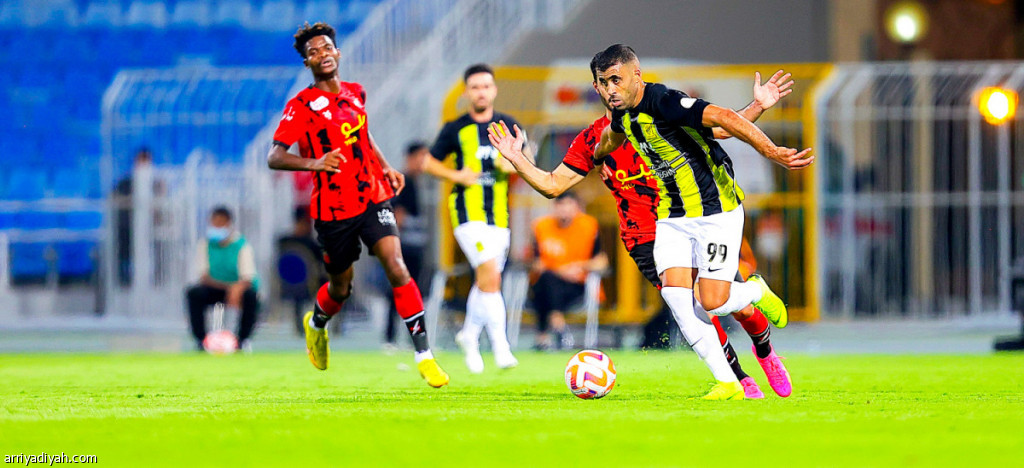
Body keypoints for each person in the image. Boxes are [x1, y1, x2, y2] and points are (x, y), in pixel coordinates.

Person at [487, 46, 799, 399]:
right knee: (688, 305)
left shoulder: (661, 107)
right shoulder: (599, 136)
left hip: (708, 213)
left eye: (616, 80)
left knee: (722, 302)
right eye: (604, 83)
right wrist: (517, 159)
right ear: (596, 86)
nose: (611, 89)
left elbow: (721, 125)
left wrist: (759, 113)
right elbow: (553, 185)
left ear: (635, 76)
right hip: (649, 234)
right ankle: (736, 379)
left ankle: (765, 351)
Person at [266, 22, 448, 388]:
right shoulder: (301, 106)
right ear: (307, 62)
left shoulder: (355, 92)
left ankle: (424, 356)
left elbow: (362, 134)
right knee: (341, 288)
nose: (322, 54)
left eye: (326, 47)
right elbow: (275, 156)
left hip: (372, 195)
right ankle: (317, 323)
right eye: (313, 52)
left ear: (337, 52)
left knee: (396, 265)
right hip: (333, 209)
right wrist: (315, 163)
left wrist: (385, 166)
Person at [422, 64, 522, 373]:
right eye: (475, 87)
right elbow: (428, 162)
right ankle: (502, 347)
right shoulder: (455, 128)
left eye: (486, 86)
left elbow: (526, 160)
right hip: (467, 214)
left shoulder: (509, 125)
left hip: (499, 216)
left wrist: (512, 164)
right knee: (490, 273)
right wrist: (456, 175)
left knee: (488, 280)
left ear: (494, 90)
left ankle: (469, 334)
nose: (481, 92)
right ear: (466, 92)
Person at [529, 192, 609, 350]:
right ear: (555, 207)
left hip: (576, 286)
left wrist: (580, 266)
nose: (564, 209)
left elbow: (602, 262)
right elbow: (536, 263)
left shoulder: (589, 225)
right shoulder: (542, 226)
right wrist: (560, 271)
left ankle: (543, 336)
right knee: (547, 280)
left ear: (577, 207)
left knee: (546, 284)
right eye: (561, 205)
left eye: (569, 204)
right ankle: (557, 322)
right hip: (546, 282)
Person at [185, 206, 260, 352]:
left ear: (229, 224)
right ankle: (201, 341)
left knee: (251, 296)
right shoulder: (205, 244)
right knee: (194, 293)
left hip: (239, 288)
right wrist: (228, 288)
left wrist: (236, 289)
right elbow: (204, 276)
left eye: (221, 223)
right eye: (214, 223)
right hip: (215, 287)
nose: (217, 226)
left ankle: (242, 340)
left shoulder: (241, 245)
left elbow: (248, 277)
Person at [384, 142, 431, 348]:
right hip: (406, 247)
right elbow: (399, 215)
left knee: (406, 291)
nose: (425, 161)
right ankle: (396, 337)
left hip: (412, 246)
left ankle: (400, 338)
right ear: (410, 158)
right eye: (422, 156)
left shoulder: (415, 182)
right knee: (404, 291)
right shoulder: (406, 183)